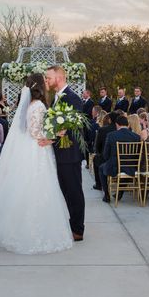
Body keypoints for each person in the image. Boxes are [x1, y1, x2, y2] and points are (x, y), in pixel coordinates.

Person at [0, 75, 73, 254]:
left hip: (27, 148)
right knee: (38, 186)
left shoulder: (29, 105)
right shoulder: (38, 106)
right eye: (45, 82)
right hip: (37, 149)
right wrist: (54, 135)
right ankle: (34, 230)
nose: (47, 84)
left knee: (25, 186)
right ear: (39, 87)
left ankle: (15, 226)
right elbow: (35, 131)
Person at [43, 65, 86, 242]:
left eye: (48, 78)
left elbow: (72, 127)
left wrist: (51, 138)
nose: (46, 81)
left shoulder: (73, 98)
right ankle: (72, 224)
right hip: (61, 153)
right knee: (66, 190)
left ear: (59, 78)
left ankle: (78, 229)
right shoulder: (57, 98)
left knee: (74, 191)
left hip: (70, 154)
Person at [99, 115, 141, 203]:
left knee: (101, 168)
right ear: (127, 124)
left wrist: (109, 160)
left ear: (117, 124)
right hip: (131, 167)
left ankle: (106, 194)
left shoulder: (111, 135)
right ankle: (120, 192)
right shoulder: (136, 137)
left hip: (115, 166)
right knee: (127, 169)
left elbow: (105, 155)